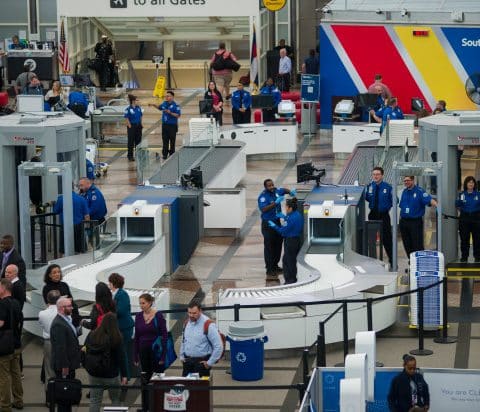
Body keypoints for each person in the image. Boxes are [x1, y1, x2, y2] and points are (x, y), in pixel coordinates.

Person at [83, 312, 128, 412]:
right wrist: (124, 375)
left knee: (95, 400)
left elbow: (84, 350)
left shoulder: (92, 334)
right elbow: (122, 358)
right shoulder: (117, 338)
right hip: (111, 375)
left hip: (94, 373)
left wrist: (86, 366)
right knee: (115, 399)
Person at [134, 293, 167, 410]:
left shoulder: (158, 316)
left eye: (143, 303)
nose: (141, 305)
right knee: (145, 379)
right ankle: (146, 406)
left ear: (150, 303)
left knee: (158, 380)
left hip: (156, 352)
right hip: (143, 352)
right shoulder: (138, 316)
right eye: (140, 303)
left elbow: (164, 335)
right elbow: (136, 337)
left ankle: (159, 406)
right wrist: (135, 356)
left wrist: (163, 356)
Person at [258, 179, 295, 280]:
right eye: (269, 186)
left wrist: (291, 192)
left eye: (272, 185)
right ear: (265, 187)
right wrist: (275, 203)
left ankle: (275, 265)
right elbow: (263, 209)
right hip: (268, 224)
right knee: (269, 247)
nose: (271, 187)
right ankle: (269, 269)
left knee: (278, 244)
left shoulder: (276, 190)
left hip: (277, 221)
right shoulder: (263, 197)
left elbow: (283, 190)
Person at [50, 296, 81, 412]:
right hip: (64, 367)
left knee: (68, 396)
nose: (72, 308)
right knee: (64, 396)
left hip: (68, 364)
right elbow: (60, 348)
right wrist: (65, 366)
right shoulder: (59, 324)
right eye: (69, 306)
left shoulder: (66, 319)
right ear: (62, 308)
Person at [180, 300, 223, 377]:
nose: (191, 315)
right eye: (189, 313)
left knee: (200, 389)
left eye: (194, 313)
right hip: (187, 362)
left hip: (201, 364)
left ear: (200, 311)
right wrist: (181, 356)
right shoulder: (186, 323)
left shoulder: (208, 325)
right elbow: (184, 341)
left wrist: (209, 363)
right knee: (186, 388)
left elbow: (218, 346)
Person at [399, 176, 437, 259]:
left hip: (415, 222)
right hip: (404, 222)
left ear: (413, 180)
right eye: (404, 181)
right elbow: (402, 206)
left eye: (408, 180)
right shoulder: (404, 192)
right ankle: (411, 262)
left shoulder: (419, 191)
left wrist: (438, 207)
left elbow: (429, 200)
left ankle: (420, 262)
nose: (406, 182)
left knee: (417, 245)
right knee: (407, 244)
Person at [0, 278, 23, 411]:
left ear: (3, 288)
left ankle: (5, 406)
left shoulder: (2, 304)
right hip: (16, 344)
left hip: (4, 346)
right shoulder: (16, 303)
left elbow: (1, 323)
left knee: (3, 377)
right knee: (16, 374)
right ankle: (19, 401)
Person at [268, 197, 303, 284]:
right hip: (296, 240)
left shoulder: (291, 218)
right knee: (288, 260)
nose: (285, 209)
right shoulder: (297, 215)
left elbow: (282, 231)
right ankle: (290, 278)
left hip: (290, 241)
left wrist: (274, 226)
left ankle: (290, 280)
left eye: (286, 207)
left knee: (289, 261)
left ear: (290, 208)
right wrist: (284, 217)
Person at [365, 167, 393, 266]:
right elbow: (367, 198)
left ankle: (392, 261)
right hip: (373, 214)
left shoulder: (388, 187)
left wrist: (387, 206)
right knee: (371, 239)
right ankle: (373, 261)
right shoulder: (369, 186)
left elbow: (395, 200)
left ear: (382, 175)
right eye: (374, 174)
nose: (375, 176)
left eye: (377, 174)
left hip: (384, 215)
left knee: (387, 239)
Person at [108, 273, 134, 379]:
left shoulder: (122, 294)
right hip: (119, 328)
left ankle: (125, 376)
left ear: (113, 283)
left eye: (109, 282)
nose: (108, 284)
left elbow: (121, 311)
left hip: (124, 328)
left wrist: (109, 313)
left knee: (122, 353)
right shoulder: (116, 294)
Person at [38, 290, 60, 401]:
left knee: (49, 371)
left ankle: (50, 398)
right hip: (61, 343)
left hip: (48, 342)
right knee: (62, 370)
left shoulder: (42, 313)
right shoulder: (62, 312)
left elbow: (41, 324)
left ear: (47, 300)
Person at [53, 190, 90, 254]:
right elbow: (86, 215)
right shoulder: (81, 199)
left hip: (65, 227)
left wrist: (54, 204)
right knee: (80, 249)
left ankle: (64, 262)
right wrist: (88, 227)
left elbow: (55, 211)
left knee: (63, 249)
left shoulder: (61, 199)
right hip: (79, 226)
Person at [149, 90, 181, 160]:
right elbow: (160, 108)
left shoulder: (176, 105)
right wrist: (153, 105)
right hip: (165, 125)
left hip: (172, 126)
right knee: (165, 140)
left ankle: (172, 153)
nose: (166, 97)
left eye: (168, 96)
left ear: (172, 97)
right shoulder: (164, 103)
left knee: (172, 141)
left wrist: (170, 112)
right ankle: (165, 154)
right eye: (166, 96)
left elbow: (178, 115)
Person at [455, 176, 480, 262]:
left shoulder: (478, 194)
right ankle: (464, 257)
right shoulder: (462, 194)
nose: (471, 184)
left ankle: (477, 257)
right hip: (464, 219)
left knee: (477, 239)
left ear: (474, 184)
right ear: (466, 184)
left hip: (476, 218)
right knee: (464, 239)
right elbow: (457, 205)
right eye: (469, 182)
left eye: (472, 182)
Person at [78, 177, 107, 247]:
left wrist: (84, 215)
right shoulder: (86, 193)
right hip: (91, 220)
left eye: (82, 185)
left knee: (97, 241)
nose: (80, 187)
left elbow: (94, 208)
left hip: (96, 221)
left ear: (88, 184)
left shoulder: (94, 193)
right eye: (79, 185)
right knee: (92, 240)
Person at [124, 94, 143, 161]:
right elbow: (126, 118)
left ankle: (138, 155)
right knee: (131, 142)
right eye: (137, 100)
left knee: (138, 141)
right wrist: (130, 126)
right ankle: (130, 156)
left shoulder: (138, 108)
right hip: (132, 126)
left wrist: (141, 124)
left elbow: (140, 116)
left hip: (138, 126)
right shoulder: (128, 109)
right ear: (133, 101)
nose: (138, 101)